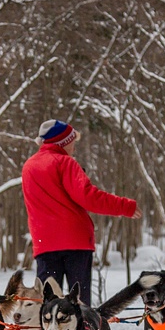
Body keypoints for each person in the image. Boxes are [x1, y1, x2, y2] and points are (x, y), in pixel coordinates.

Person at [21, 119, 140, 305]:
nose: (74, 148)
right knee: (80, 305)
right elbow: (89, 197)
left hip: (44, 244)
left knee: (47, 305)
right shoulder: (65, 163)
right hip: (75, 243)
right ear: (63, 142)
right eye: (73, 143)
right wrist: (125, 206)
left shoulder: (29, 167)